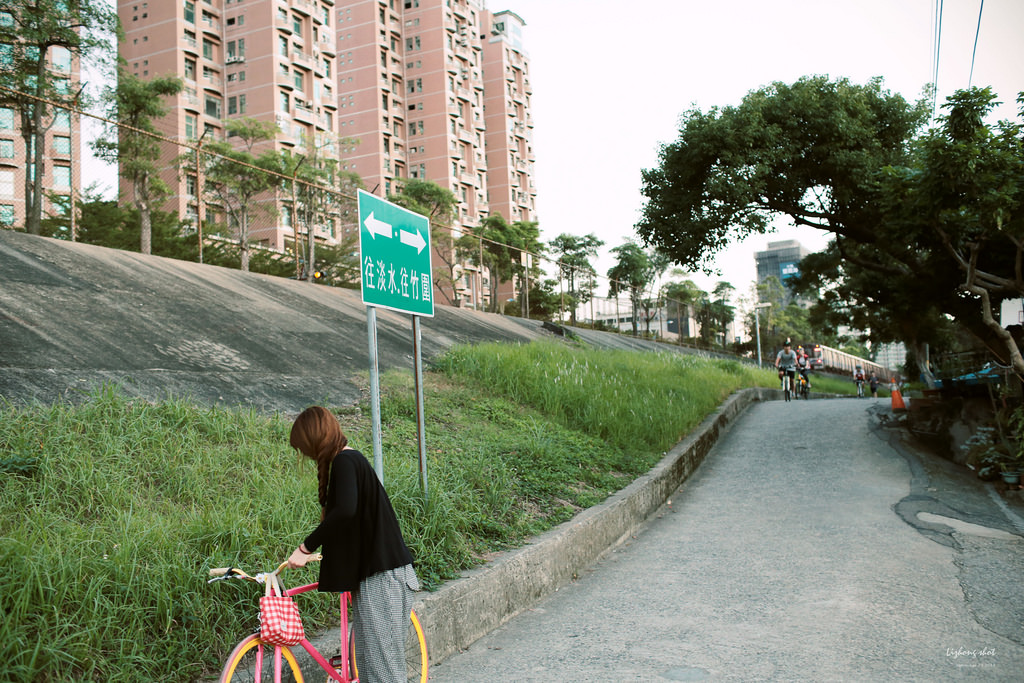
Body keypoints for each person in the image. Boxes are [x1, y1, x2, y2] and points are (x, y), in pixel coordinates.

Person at [286, 406, 419, 683]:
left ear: (313, 440)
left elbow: (345, 511)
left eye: (304, 448)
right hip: (380, 578)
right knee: (372, 672)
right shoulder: (348, 461)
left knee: (383, 674)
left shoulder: (346, 462)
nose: (305, 455)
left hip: (383, 578)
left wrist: (305, 547)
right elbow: (349, 518)